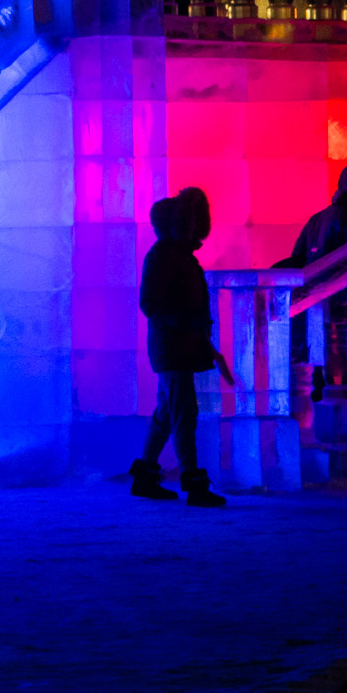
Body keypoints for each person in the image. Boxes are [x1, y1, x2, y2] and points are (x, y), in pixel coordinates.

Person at [129, 187, 227, 507]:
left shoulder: (171, 255)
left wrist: (196, 333)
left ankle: (146, 478)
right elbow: (151, 304)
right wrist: (191, 328)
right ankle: (193, 485)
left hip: (174, 345)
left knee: (169, 412)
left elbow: (156, 305)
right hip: (173, 346)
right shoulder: (169, 256)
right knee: (183, 412)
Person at [278, 164, 347, 381]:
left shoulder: (317, 219)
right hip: (342, 304)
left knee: (313, 361)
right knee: (341, 358)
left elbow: (297, 258)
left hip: (310, 303)